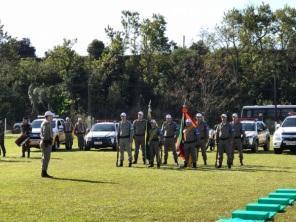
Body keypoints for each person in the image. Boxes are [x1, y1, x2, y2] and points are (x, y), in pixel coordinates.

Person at [40, 111, 54, 178]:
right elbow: (45, 134)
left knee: (44, 158)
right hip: (46, 142)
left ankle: (44, 172)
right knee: (46, 158)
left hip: (45, 142)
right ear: (48, 116)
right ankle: (44, 172)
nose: (52, 117)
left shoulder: (45, 122)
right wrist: (47, 141)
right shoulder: (46, 123)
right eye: (51, 116)